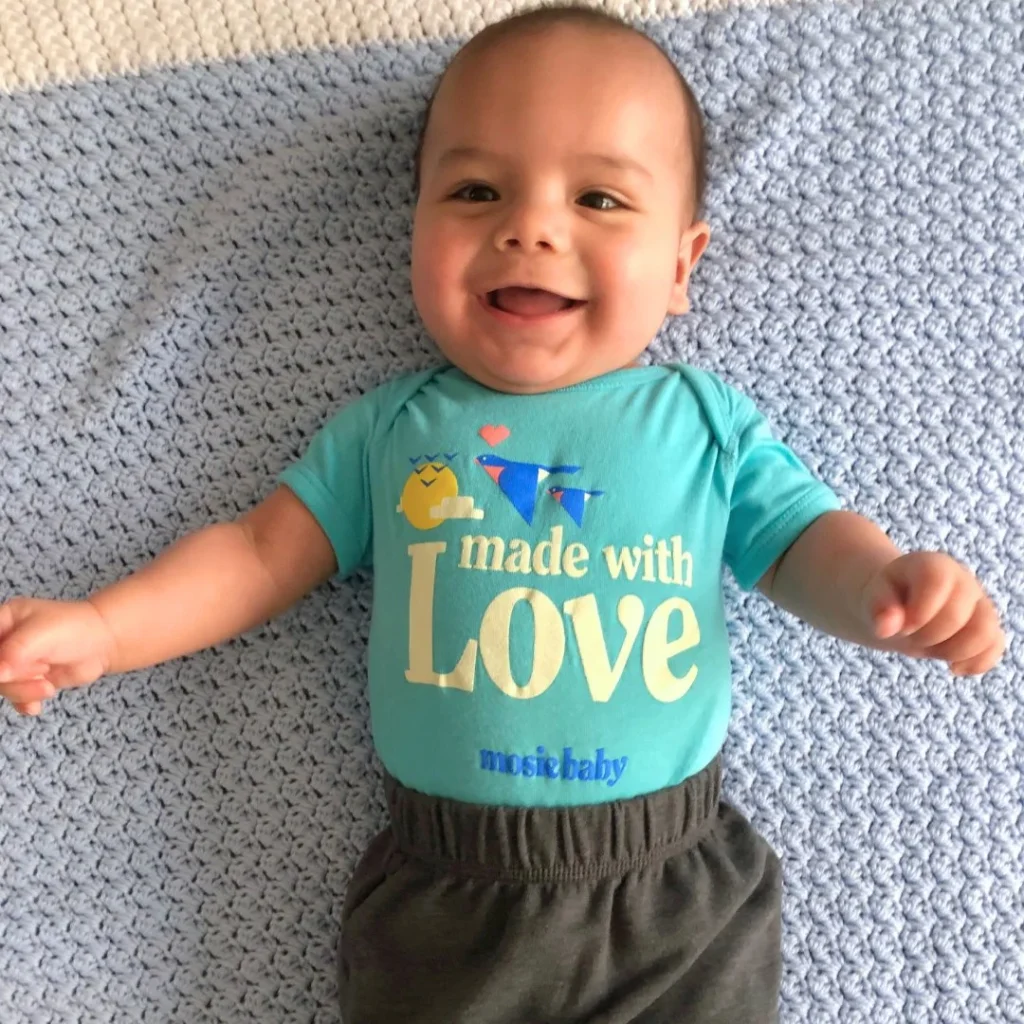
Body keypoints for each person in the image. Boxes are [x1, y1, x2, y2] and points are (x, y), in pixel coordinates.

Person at [0, 5, 1005, 1022]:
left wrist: (883, 583)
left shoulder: (703, 423)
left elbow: (797, 541)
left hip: (671, 893)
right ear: (414, 229)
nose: (529, 226)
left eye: (601, 197)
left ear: (680, 267)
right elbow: (259, 554)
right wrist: (107, 627)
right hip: (445, 895)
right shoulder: (390, 432)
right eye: (475, 190)